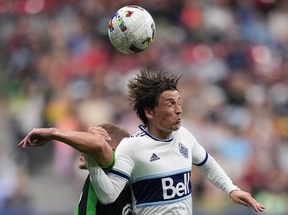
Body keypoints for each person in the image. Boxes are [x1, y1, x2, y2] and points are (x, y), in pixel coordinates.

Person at [86, 69, 265, 215]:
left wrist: (231, 189)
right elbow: (108, 195)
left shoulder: (184, 136)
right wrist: (91, 157)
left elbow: (207, 164)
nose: (179, 110)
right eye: (170, 104)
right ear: (149, 112)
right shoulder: (132, 146)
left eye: (179, 102)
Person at [18, 123, 132, 215]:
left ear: (113, 149)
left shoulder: (114, 165)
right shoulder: (120, 179)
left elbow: (99, 145)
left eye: (88, 141)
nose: (82, 149)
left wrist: (52, 133)